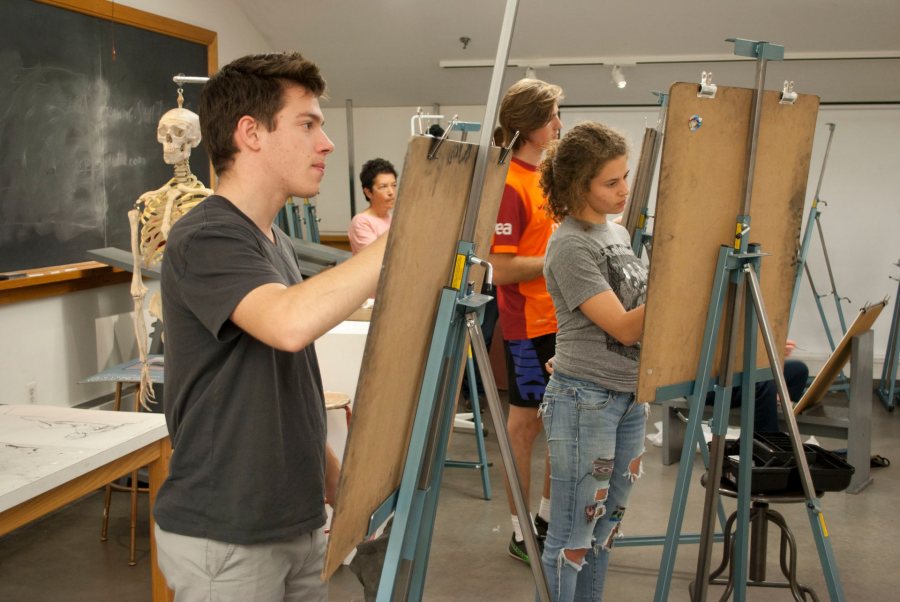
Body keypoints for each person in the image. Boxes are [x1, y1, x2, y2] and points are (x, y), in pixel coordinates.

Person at [153, 52, 387, 602]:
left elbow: (285, 385)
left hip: (294, 523)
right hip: (227, 534)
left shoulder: (271, 240)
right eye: (307, 124)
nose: (325, 143)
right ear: (250, 133)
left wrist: (337, 486)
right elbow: (288, 325)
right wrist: (402, 239)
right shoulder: (206, 236)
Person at [539, 122, 649, 601]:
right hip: (587, 401)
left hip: (627, 398)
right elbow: (624, 326)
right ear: (578, 185)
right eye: (611, 182)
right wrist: (681, 282)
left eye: (625, 177)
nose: (624, 190)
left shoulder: (617, 232)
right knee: (572, 537)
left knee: (604, 532)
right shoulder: (570, 245)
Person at [490, 78, 563, 564]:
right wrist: (561, 259)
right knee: (525, 430)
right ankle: (521, 532)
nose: (560, 124)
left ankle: (547, 519)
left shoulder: (548, 176)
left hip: (563, 321)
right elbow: (501, 267)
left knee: (560, 426)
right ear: (532, 125)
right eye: (554, 115)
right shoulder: (509, 184)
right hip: (527, 327)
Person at [705, 341, 810, 433]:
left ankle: (778, 401)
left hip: (741, 371)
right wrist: (765, 350)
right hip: (712, 382)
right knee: (765, 379)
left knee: (799, 369)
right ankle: (767, 441)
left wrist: (775, 345)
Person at [348, 157, 397, 254]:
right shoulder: (361, 222)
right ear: (368, 192)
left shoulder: (394, 219)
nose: (391, 192)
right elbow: (375, 258)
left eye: (394, 185)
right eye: (383, 186)